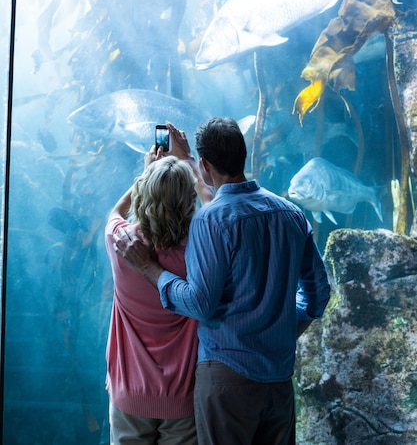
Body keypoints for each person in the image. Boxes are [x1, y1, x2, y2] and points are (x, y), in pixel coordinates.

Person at [113, 117, 331, 445]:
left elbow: (201, 303)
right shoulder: (292, 214)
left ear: (204, 163)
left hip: (227, 375)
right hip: (279, 374)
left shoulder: (210, 222)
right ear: (244, 154)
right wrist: (284, 329)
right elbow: (317, 295)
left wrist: (149, 269)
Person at [105, 147, 208, 445]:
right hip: (182, 397)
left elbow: (115, 212)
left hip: (129, 394)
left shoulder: (121, 242)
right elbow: (217, 214)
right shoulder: (202, 251)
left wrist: (146, 173)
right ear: (188, 202)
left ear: (142, 194)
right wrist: (197, 175)